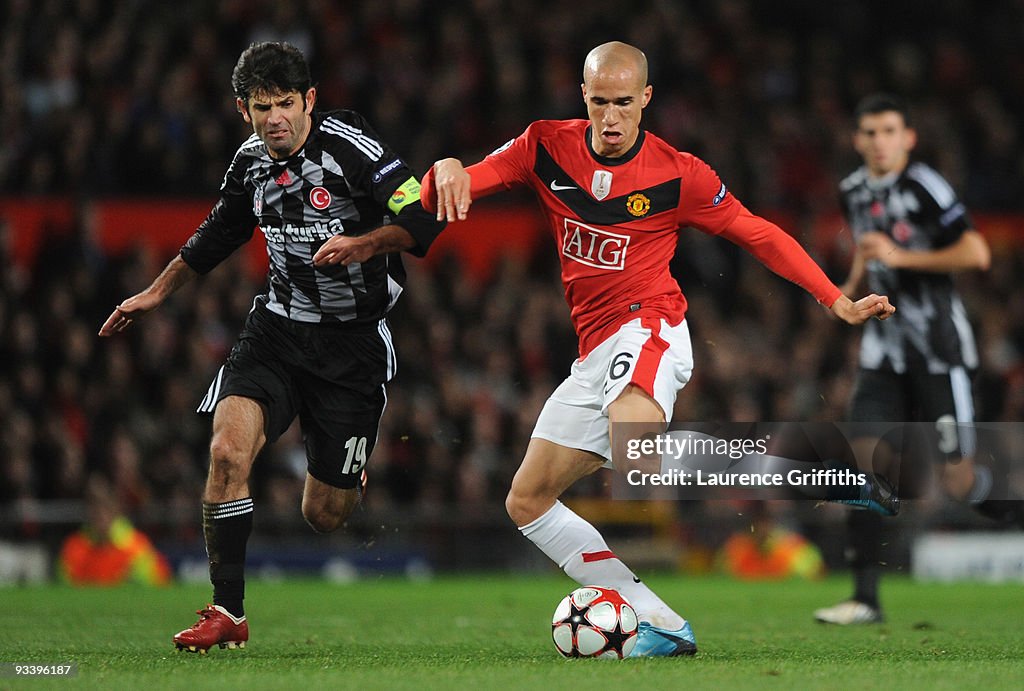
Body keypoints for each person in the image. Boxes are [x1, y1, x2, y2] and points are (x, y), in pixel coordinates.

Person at [321, 41, 894, 656]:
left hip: (650, 325)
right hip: (594, 353)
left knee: (637, 452)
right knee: (528, 500)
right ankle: (662, 623)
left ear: (646, 99)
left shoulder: (679, 173)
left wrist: (833, 298)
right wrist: (445, 166)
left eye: (625, 103)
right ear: (583, 97)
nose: (612, 118)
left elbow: (756, 232)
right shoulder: (544, 146)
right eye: (600, 102)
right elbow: (452, 187)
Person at [99, 42, 444, 652]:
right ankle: (228, 612)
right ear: (244, 110)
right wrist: (155, 294)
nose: (276, 117)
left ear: (309, 100)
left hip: (353, 345)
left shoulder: (351, 147)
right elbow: (217, 235)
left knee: (324, 514)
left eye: (287, 103)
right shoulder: (250, 163)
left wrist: (364, 244)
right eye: (263, 107)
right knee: (228, 451)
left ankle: (345, 474)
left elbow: (424, 220)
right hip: (277, 331)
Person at [812, 93, 1021, 625]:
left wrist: (903, 257)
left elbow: (976, 252)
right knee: (861, 464)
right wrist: (847, 294)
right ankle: (865, 599)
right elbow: (866, 249)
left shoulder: (926, 186)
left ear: (908, 137)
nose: (880, 142)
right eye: (871, 133)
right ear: (857, 140)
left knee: (959, 482)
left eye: (889, 131)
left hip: (938, 354)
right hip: (884, 353)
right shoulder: (853, 189)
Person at [58, 474, 172, 586]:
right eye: (95, 507)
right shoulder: (73, 547)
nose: (100, 514)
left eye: (105, 507)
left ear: (115, 509)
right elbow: (64, 588)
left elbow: (160, 582)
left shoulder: (136, 546)